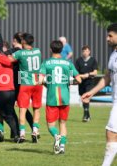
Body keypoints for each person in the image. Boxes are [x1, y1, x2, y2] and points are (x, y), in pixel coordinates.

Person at [82, 23, 117, 166]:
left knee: (111, 132)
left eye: (110, 35)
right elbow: (107, 77)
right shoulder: (113, 54)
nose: (107, 38)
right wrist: (91, 92)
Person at [39, 40, 81, 154]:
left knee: (51, 125)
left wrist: (47, 84)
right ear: (62, 50)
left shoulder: (46, 63)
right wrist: (67, 82)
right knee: (62, 123)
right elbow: (79, 80)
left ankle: (56, 136)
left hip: (52, 98)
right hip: (65, 98)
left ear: (50, 49)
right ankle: (62, 147)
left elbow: (39, 80)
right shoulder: (68, 63)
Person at [9, 33, 43, 143]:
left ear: (23, 42)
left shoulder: (20, 53)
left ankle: (22, 133)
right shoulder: (38, 51)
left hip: (25, 83)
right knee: (36, 108)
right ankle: (35, 130)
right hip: (37, 84)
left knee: (22, 109)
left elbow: (8, 59)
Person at [75, 45, 98, 122]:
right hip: (81, 82)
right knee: (83, 98)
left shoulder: (93, 60)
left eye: (87, 51)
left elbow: (95, 72)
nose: (85, 52)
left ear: (89, 52)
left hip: (89, 82)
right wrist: (81, 76)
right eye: (84, 51)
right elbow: (76, 73)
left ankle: (85, 116)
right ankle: (88, 114)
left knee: (86, 97)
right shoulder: (78, 60)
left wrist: (87, 75)